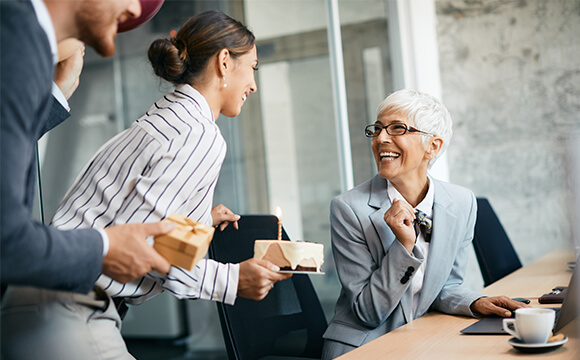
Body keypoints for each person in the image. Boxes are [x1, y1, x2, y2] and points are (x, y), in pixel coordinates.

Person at [1, 10, 291, 360]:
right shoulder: (201, 135)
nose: (254, 85)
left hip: (35, 300)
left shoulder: (159, 119)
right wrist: (233, 280)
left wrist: (198, 221)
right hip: (69, 310)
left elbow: (130, 214)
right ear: (225, 62)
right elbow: (155, 248)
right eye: (253, 67)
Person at [321, 90, 527, 359]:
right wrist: (404, 246)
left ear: (433, 146)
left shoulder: (462, 202)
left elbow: (445, 287)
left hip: (423, 338)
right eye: (378, 129)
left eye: (397, 128)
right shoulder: (348, 209)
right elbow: (367, 312)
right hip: (364, 346)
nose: (381, 138)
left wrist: (475, 302)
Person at [0, 0, 173, 298]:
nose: (134, 10)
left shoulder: (19, 40)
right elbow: (7, 241)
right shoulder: (14, 43)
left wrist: (54, 94)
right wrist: (104, 247)